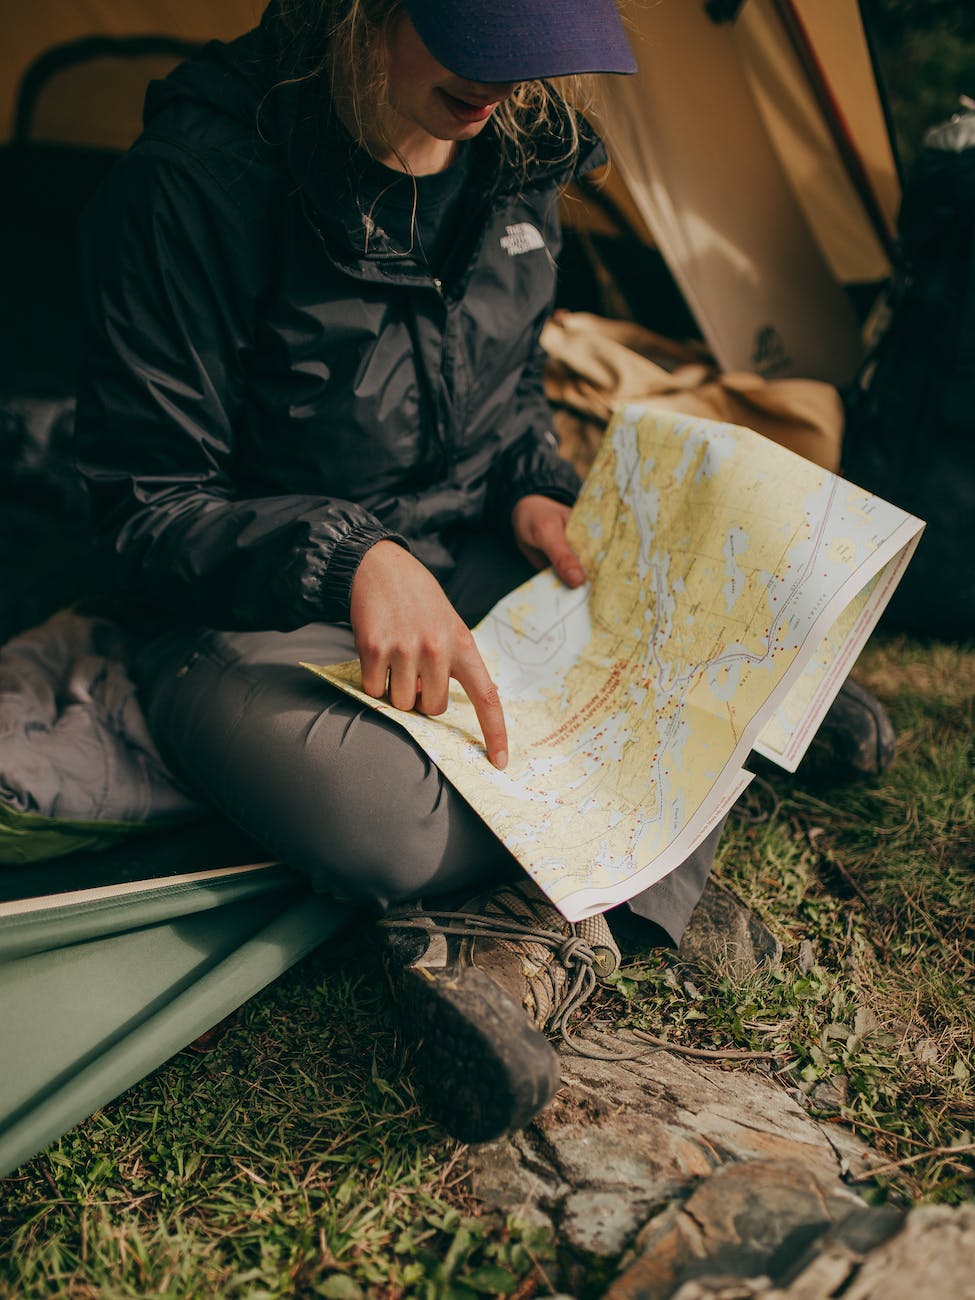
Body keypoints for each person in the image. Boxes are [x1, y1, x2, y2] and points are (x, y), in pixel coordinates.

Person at [73, 0, 889, 1144]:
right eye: (480, 43)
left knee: (709, 602)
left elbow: (503, 403)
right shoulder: (198, 182)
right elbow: (138, 508)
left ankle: (517, 925)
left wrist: (533, 490)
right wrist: (348, 555)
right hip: (254, 604)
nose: (506, 85)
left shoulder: (519, 154)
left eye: (535, 50)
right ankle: (672, 810)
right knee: (385, 827)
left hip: (465, 556)